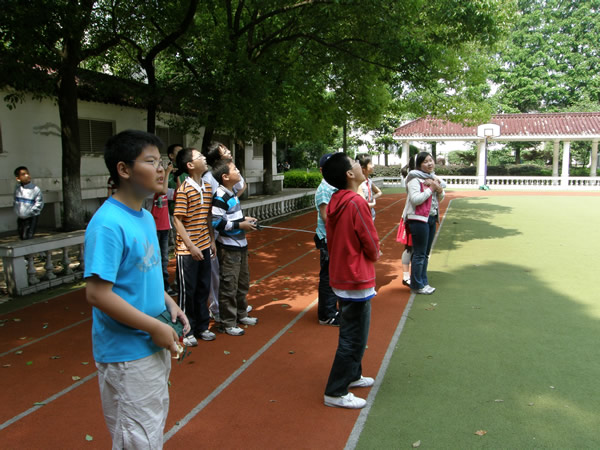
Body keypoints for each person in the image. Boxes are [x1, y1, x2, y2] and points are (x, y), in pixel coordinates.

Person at [84, 130, 190, 449]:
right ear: (124, 169)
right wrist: (154, 327)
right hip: (127, 354)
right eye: (151, 161)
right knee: (137, 439)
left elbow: (144, 273)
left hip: (151, 342)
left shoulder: (144, 216)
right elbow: (97, 294)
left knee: (150, 430)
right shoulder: (108, 224)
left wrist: (168, 303)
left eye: (162, 162)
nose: (161, 169)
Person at [321, 152, 380, 409]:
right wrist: (375, 254)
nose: (360, 165)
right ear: (349, 174)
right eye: (355, 164)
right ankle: (335, 391)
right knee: (353, 336)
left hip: (344, 274)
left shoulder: (338, 199)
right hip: (355, 276)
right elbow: (369, 238)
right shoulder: (355, 202)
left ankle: (353, 375)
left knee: (355, 330)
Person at [173, 147, 217, 345]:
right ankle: (186, 329)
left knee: (203, 287)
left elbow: (207, 216)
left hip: (204, 245)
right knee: (187, 292)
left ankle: (202, 326)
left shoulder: (207, 187)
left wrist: (211, 240)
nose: (204, 158)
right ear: (190, 165)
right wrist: (191, 247)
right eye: (200, 156)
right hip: (187, 251)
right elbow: (177, 220)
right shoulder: (184, 189)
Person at [211, 159, 258, 336]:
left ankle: (241, 314)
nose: (238, 171)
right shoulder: (220, 196)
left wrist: (245, 220)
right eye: (234, 169)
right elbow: (216, 222)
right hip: (229, 248)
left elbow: (231, 218)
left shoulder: (232, 194)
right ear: (225, 176)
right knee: (229, 285)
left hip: (241, 246)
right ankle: (228, 322)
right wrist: (240, 225)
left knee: (242, 283)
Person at [202, 142, 247, 323]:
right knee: (218, 273)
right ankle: (217, 308)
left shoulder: (229, 182)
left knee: (234, 275)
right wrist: (211, 238)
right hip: (217, 231)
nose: (229, 152)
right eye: (225, 151)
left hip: (229, 229)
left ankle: (233, 307)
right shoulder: (209, 179)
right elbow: (210, 213)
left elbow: (241, 187)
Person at [401, 152, 445, 295]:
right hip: (418, 219)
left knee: (425, 254)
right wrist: (431, 189)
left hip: (431, 218)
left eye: (431, 160)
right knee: (419, 254)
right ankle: (416, 285)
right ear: (419, 165)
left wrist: (438, 189)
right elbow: (415, 199)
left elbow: (440, 197)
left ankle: (423, 282)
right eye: (425, 162)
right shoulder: (414, 178)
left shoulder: (433, 178)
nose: (430, 163)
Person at [314, 153, 340, 326]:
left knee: (333, 275)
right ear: (322, 170)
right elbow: (326, 217)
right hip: (328, 239)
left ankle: (331, 309)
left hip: (334, 238)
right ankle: (326, 314)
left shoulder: (334, 186)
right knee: (328, 277)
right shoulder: (324, 189)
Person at [150, 162, 176, 296]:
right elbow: (163, 191)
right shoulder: (151, 189)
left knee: (164, 258)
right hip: (153, 228)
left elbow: (177, 193)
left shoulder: (165, 188)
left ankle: (165, 286)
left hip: (165, 227)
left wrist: (177, 177)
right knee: (153, 258)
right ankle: (156, 286)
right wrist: (167, 172)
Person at [13, 166, 44, 240]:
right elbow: (15, 201)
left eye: (27, 173)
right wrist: (18, 211)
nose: (27, 175)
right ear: (18, 178)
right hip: (21, 218)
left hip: (31, 218)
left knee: (27, 237)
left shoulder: (35, 189)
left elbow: (39, 203)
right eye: (23, 174)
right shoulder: (18, 188)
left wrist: (31, 212)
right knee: (22, 236)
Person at [356, 154, 382, 220]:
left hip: (370, 213)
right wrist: (372, 204)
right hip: (362, 215)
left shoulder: (369, 181)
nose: (373, 165)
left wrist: (372, 198)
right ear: (363, 168)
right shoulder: (359, 183)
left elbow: (379, 192)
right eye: (370, 163)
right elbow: (363, 204)